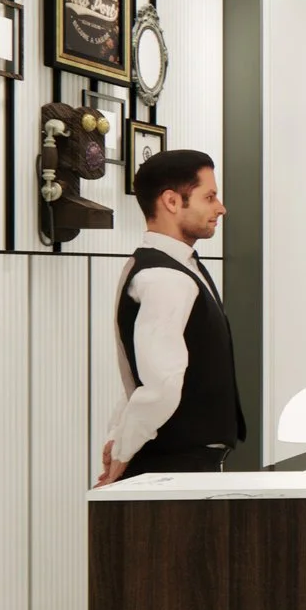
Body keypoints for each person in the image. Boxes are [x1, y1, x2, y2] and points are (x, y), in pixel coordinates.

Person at [97, 149, 245, 484]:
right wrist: (122, 452)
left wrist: (121, 435)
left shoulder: (171, 267)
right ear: (172, 201)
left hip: (181, 462)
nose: (220, 207)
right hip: (172, 467)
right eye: (209, 196)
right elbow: (161, 384)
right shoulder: (165, 277)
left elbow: (142, 374)